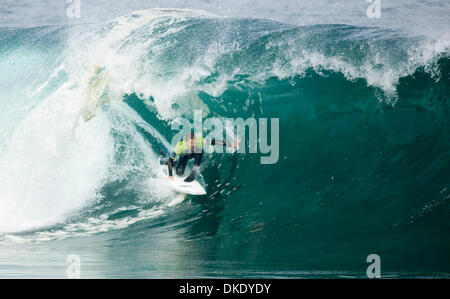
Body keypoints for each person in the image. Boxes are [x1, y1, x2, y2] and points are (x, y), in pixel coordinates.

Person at [162, 132, 239, 182]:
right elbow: (170, 160)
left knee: (199, 150)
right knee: (179, 173)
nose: (193, 144)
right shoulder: (179, 147)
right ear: (186, 142)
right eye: (191, 143)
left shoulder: (199, 140)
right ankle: (174, 163)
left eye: (194, 142)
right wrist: (170, 175)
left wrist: (230, 145)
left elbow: (214, 141)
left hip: (194, 153)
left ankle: (194, 172)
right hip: (184, 155)